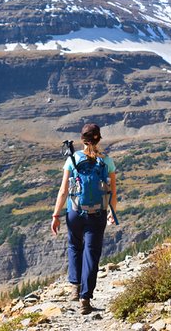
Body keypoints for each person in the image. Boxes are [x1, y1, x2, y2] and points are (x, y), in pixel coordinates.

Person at [51, 123, 117, 315]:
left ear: (82, 140)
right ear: (99, 139)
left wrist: (56, 215)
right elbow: (112, 192)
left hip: (74, 213)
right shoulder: (107, 161)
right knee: (91, 253)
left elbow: (63, 191)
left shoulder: (72, 159)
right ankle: (85, 299)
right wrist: (112, 212)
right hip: (97, 214)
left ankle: (74, 285)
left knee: (74, 246)